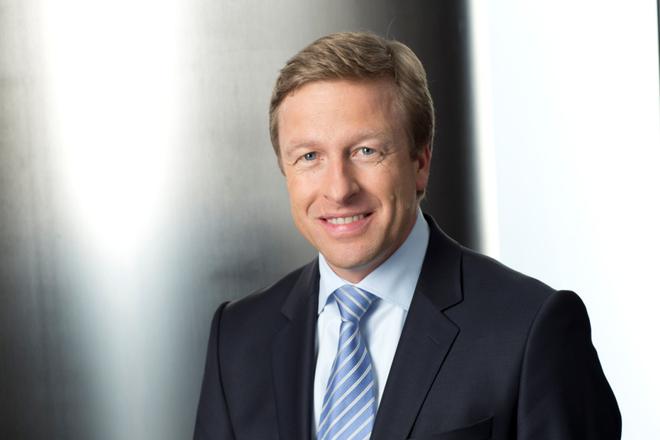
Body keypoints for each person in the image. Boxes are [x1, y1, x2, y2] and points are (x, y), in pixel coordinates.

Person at [194, 31, 620, 440]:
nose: (339, 189)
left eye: (366, 151)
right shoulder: (238, 337)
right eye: (309, 157)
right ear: (285, 170)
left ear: (420, 163)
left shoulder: (530, 330)